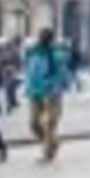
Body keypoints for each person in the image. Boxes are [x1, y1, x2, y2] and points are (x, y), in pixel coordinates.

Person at [25, 27, 69, 163]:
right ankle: (52, 143)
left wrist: (54, 88)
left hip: (51, 93)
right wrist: (28, 87)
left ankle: (47, 153)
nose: (41, 39)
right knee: (33, 123)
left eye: (44, 36)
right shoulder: (34, 52)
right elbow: (30, 71)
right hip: (35, 92)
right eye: (41, 36)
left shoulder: (57, 55)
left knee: (49, 123)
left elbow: (62, 75)